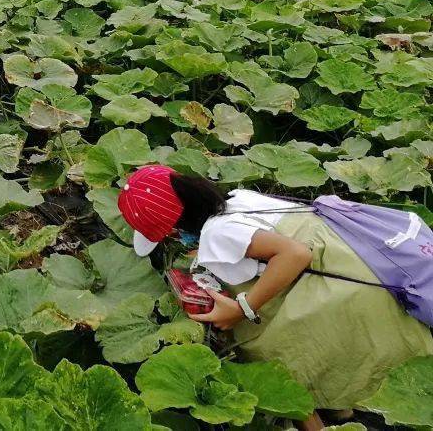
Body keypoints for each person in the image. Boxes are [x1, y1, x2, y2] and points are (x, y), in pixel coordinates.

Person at [118, 165, 432, 430]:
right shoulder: (239, 199)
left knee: (271, 352)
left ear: (176, 226)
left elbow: (295, 254)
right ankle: (343, 412)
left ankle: (320, 422)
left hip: (345, 297)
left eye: (169, 234)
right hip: (361, 271)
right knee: (371, 368)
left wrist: (242, 309)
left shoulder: (217, 233)